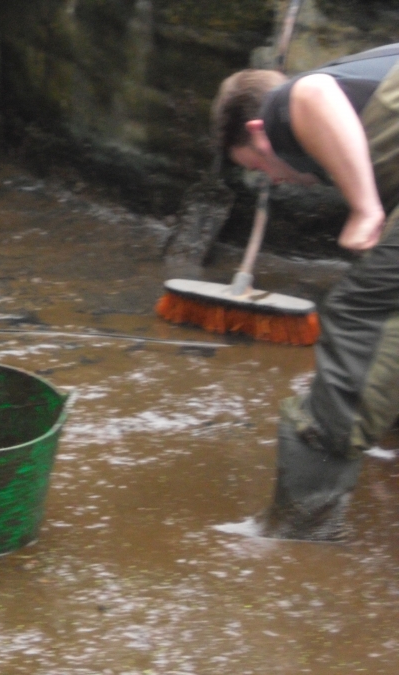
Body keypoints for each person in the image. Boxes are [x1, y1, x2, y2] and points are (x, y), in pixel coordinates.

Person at [210, 43, 399, 540]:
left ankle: (301, 526)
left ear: (258, 133)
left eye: (257, 167)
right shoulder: (361, 75)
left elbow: (312, 94)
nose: (272, 180)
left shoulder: (285, 105)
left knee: (359, 317)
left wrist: (364, 207)